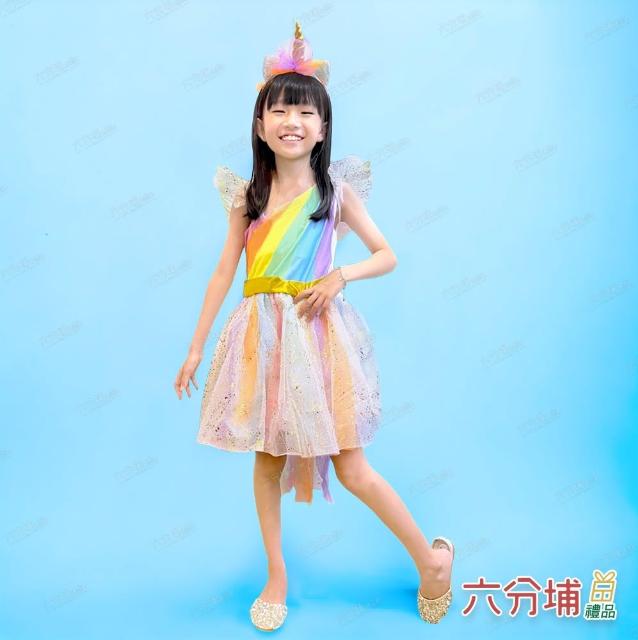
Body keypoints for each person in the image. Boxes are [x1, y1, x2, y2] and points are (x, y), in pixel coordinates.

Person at [174, 20, 454, 632]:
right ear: (260, 125)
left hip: (319, 340)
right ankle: (276, 575)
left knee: (353, 469)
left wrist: (340, 276)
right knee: (267, 461)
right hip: (262, 340)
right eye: (278, 110)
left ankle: (432, 561)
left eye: (305, 112)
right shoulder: (248, 198)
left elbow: (387, 254)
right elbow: (223, 274)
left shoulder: (336, 193)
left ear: (323, 128)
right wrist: (195, 348)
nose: (291, 121)